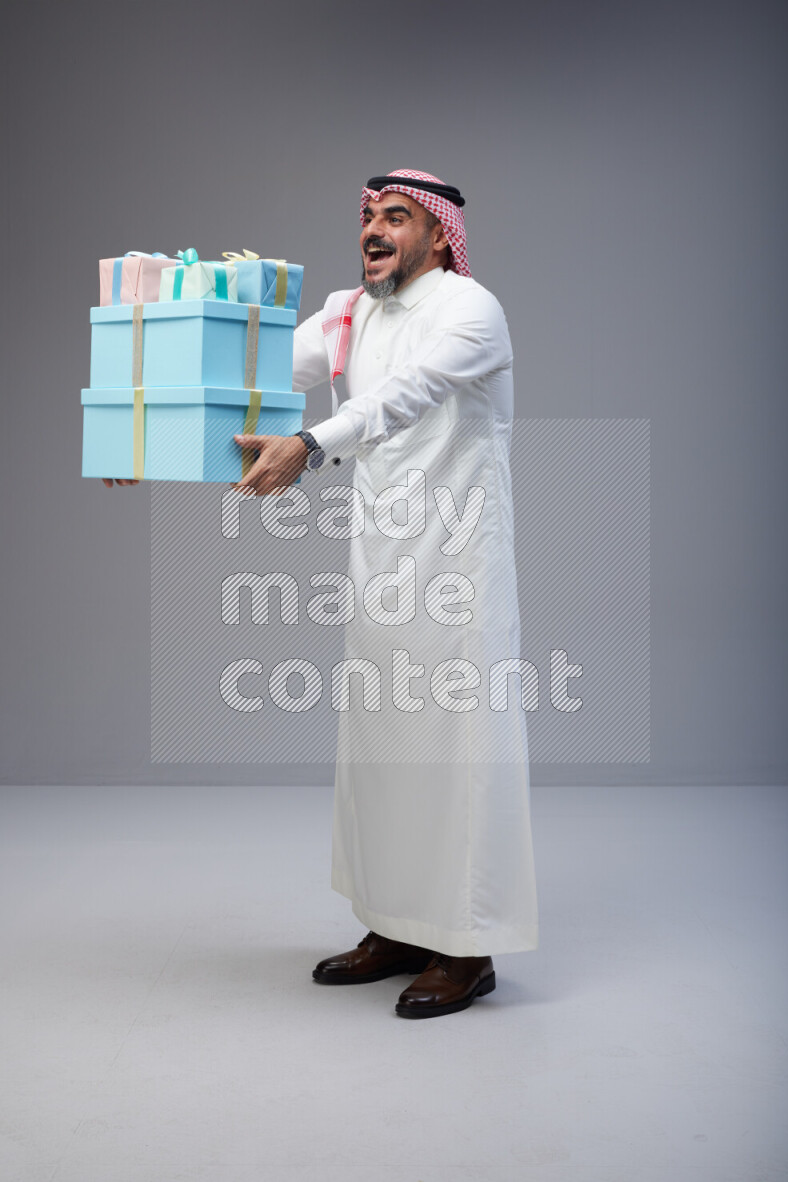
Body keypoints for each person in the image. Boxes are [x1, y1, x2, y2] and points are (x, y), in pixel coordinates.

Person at [104, 168, 539, 1020]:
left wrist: (309, 442)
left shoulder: (470, 311)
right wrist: (142, 430)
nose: (375, 229)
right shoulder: (351, 311)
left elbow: (401, 400)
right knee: (382, 749)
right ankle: (396, 926)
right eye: (370, 215)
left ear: (441, 233)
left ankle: (467, 946)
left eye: (398, 217)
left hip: (458, 563)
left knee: (455, 751)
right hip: (380, 558)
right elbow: (249, 371)